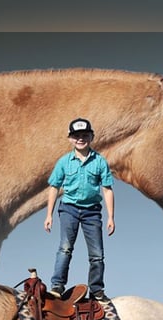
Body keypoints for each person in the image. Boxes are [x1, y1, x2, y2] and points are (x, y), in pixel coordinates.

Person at [44, 118, 115, 301]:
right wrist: (49, 214)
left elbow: (107, 189)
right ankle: (57, 286)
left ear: (91, 137)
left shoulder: (99, 161)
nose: (81, 139)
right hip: (69, 209)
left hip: (92, 211)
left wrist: (111, 217)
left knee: (97, 254)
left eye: (85, 135)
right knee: (65, 248)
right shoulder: (64, 162)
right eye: (77, 136)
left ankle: (97, 290)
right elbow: (54, 187)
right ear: (70, 139)